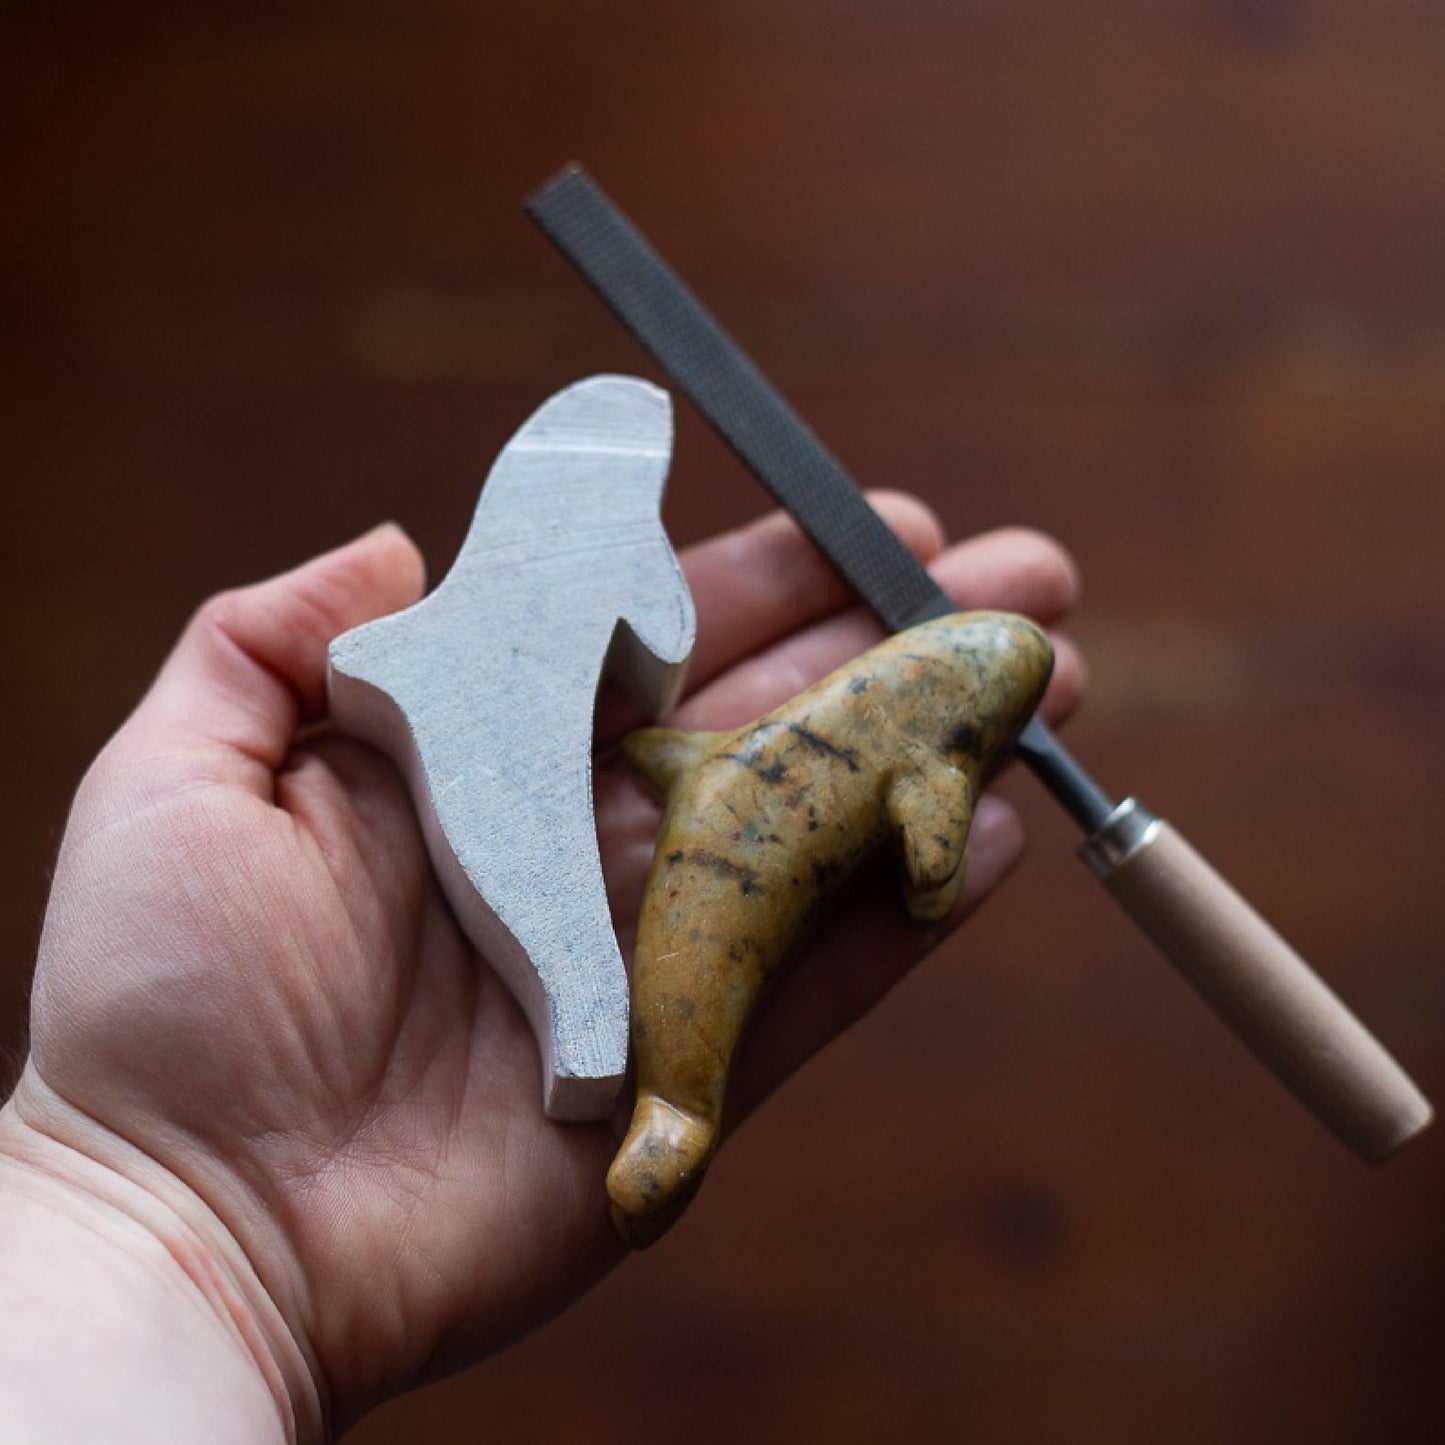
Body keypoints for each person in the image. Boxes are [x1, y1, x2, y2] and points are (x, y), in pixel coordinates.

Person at [0, 495, 1082, 1443]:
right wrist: (151, 1178)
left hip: (717, 781)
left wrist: (126, 1178)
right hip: (714, 794)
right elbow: (929, 853)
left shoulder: (792, 745)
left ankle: (672, 1110)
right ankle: (675, 1112)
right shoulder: (925, 764)